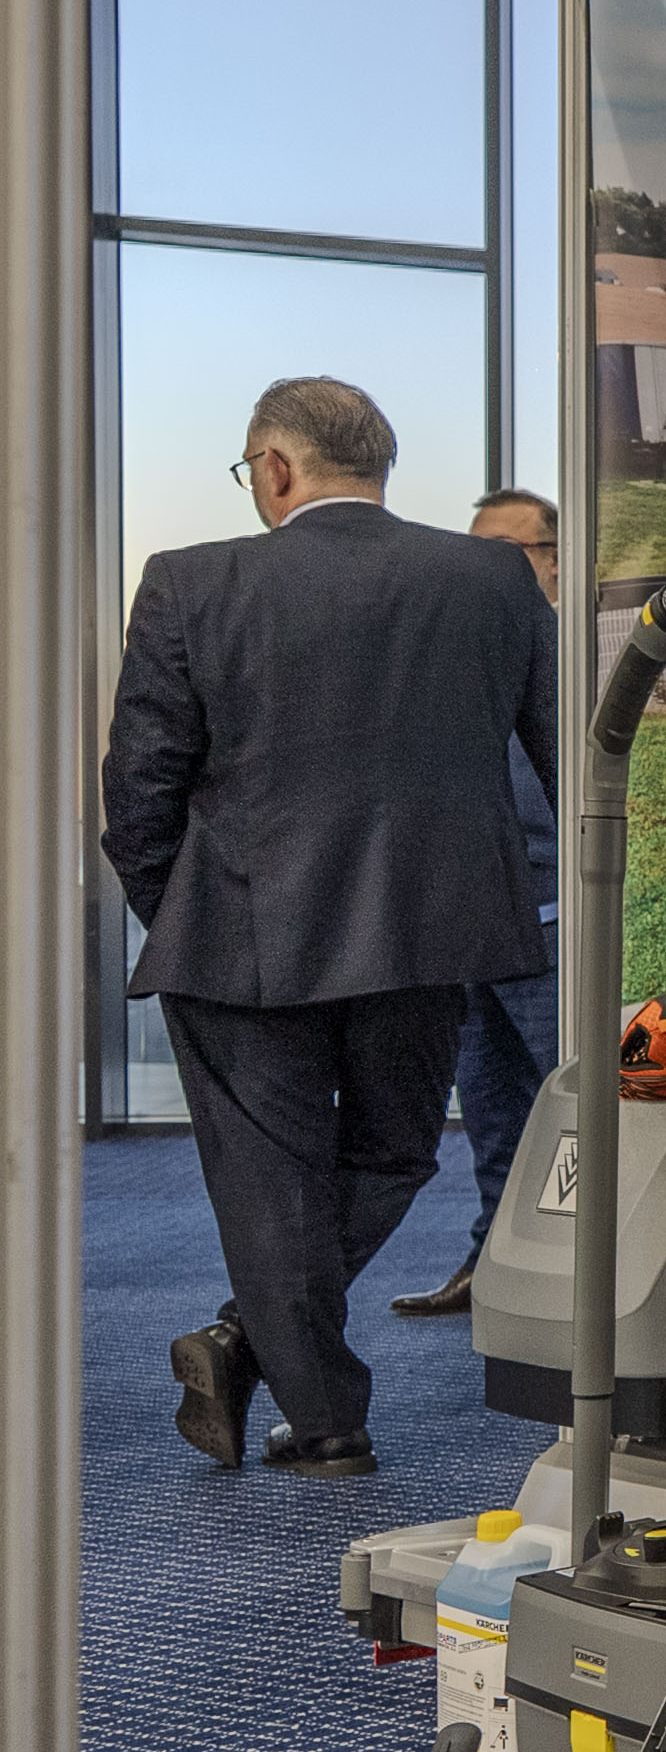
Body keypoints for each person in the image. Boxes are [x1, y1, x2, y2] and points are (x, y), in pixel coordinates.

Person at [102, 378, 557, 1478]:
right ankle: (286, 1375)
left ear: (274, 467)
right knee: (397, 1153)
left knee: (271, 1184)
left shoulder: (191, 581)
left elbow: (139, 793)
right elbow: (565, 756)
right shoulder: (492, 578)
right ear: (378, 465)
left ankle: (314, 1410)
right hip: (429, 936)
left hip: (239, 940)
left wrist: (193, 912)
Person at [395, 487, 567, 1318]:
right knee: (493, 1117)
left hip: (554, 924)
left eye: (507, 552)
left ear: (555, 562)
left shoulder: (580, 658)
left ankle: (581, 1281)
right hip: (472, 925)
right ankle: (492, 1265)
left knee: (576, 1110)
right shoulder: (460, 664)